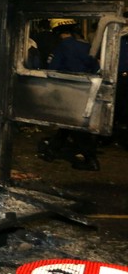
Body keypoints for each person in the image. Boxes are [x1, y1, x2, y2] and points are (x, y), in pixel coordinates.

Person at [37, 19, 101, 170]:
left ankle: (90, 160)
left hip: (68, 90)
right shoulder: (86, 46)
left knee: (75, 125)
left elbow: (52, 69)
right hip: (87, 90)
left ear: (57, 32)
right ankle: (52, 150)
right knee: (67, 123)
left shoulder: (61, 48)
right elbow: (95, 67)